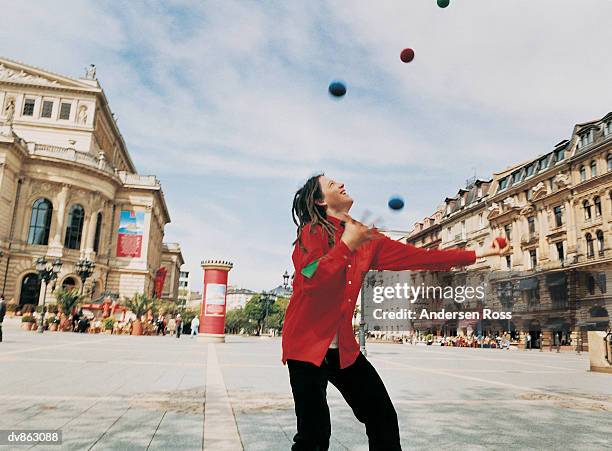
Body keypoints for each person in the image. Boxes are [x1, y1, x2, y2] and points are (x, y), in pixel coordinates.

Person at [282, 174, 508, 451]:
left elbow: (418, 257)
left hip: (343, 349)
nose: (341, 184)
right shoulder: (312, 233)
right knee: (314, 435)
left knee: (382, 416)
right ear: (320, 200)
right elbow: (310, 279)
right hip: (305, 345)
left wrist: (477, 253)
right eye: (331, 185)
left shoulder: (364, 237)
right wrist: (345, 246)